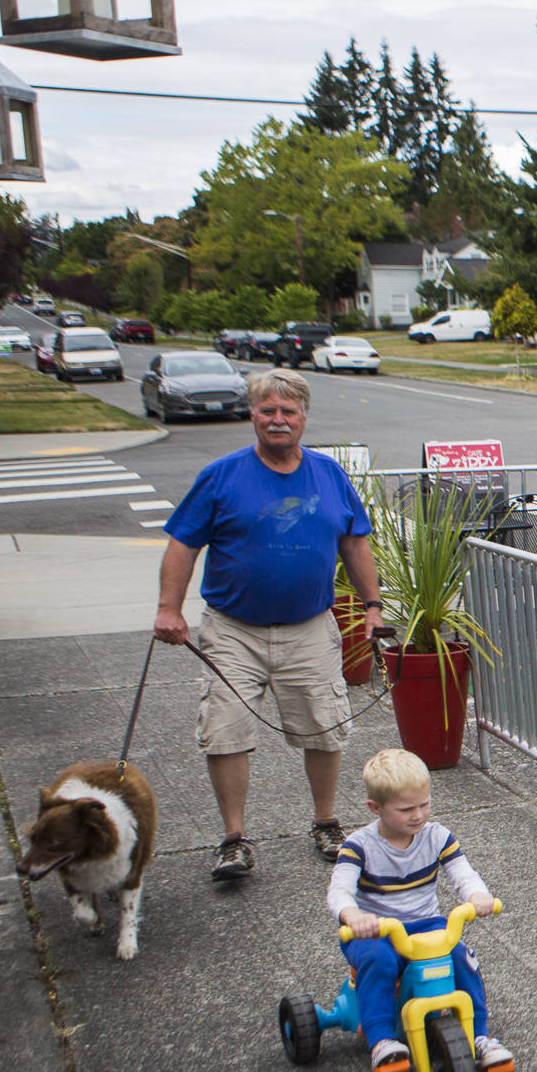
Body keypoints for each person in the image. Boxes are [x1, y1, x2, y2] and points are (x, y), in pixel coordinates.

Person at [153, 368, 381, 881]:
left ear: (303, 417)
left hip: (309, 627)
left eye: (288, 411)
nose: (278, 420)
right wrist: (169, 608)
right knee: (225, 730)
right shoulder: (221, 476)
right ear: (252, 415)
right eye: (267, 411)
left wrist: (373, 606)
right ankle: (234, 839)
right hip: (234, 630)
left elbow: (355, 542)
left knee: (325, 727)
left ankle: (325, 822)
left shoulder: (328, 475)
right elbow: (183, 544)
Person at [331, 749, 513, 1072]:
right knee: (380, 962)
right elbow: (339, 890)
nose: (418, 815)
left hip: (426, 925)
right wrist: (353, 915)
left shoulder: (437, 837)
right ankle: (381, 1041)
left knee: (461, 957)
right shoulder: (359, 846)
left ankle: (479, 1037)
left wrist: (477, 896)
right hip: (375, 930)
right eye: (406, 809)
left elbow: (462, 873)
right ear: (376, 808)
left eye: (424, 804)